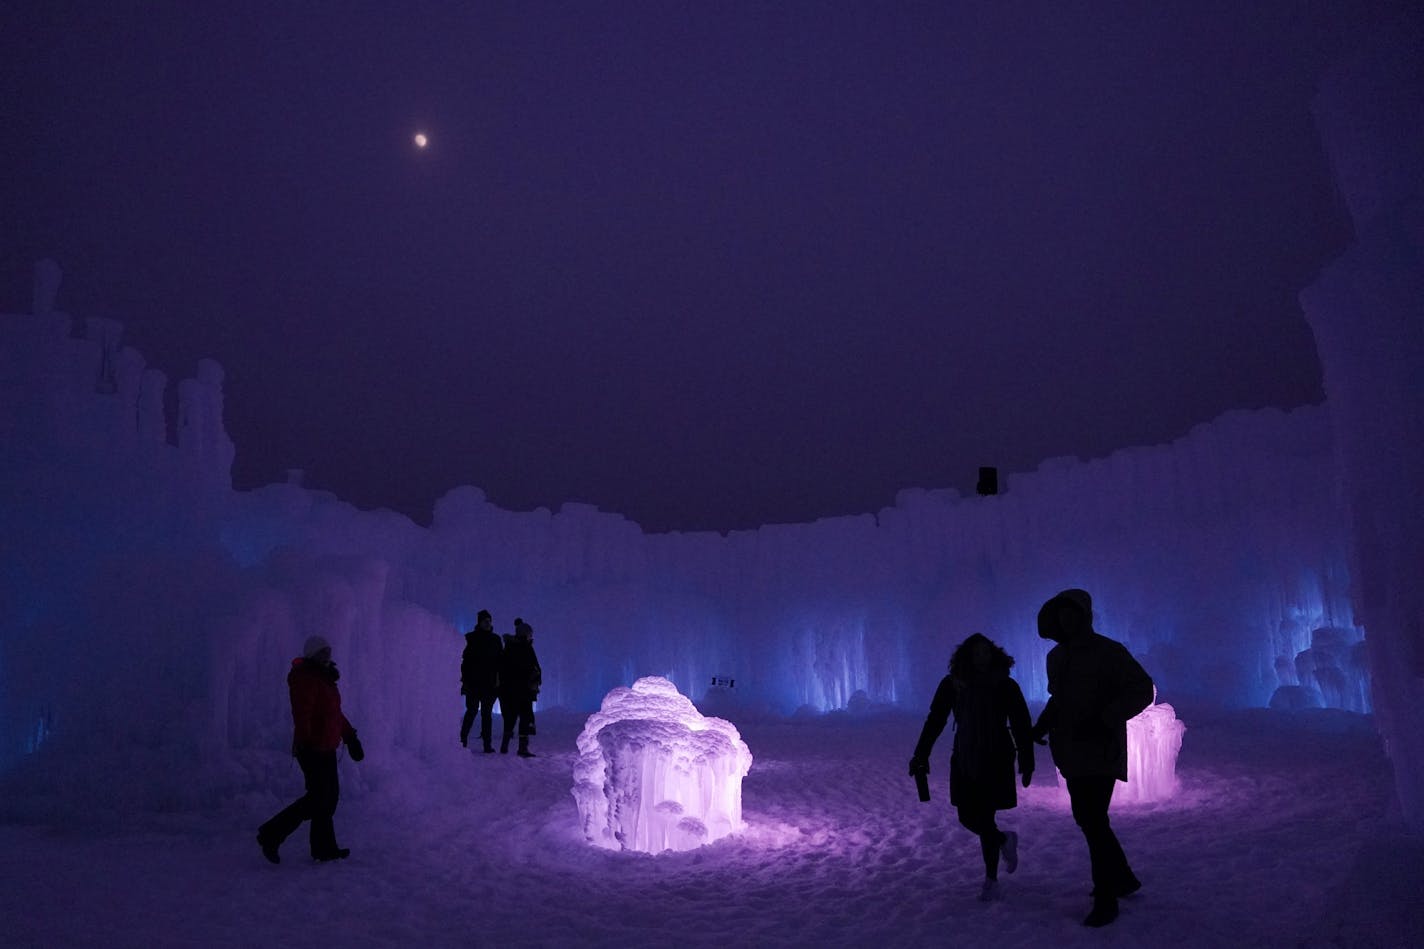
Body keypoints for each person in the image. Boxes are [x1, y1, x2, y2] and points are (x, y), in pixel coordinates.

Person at [1031, 589, 1155, 927]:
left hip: (1101, 748)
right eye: (1061, 615)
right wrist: (1040, 727)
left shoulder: (1110, 652)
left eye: (1072, 613)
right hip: (1070, 749)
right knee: (1089, 820)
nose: (1066, 620)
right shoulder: (1056, 657)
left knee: (1092, 818)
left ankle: (1106, 898)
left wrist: (1107, 717)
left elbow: (1143, 688)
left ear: (1085, 616)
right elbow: (1058, 699)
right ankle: (1123, 879)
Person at [910, 633, 1035, 902]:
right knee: (967, 816)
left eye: (985, 652)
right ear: (967, 656)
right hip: (965, 756)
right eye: (976, 653)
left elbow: (1021, 722)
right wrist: (921, 753)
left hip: (996, 756)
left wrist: (1027, 759)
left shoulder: (1005, 685)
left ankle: (991, 879)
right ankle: (1003, 841)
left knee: (985, 816)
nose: (981, 657)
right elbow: (936, 720)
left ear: (993, 655)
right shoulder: (953, 684)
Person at [256, 635, 364, 864]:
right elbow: (302, 713)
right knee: (318, 799)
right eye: (321, 652)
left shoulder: (324, 678)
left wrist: (351, 737)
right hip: (313, 748)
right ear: (312, 654)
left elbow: (334, 714)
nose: (327, 655)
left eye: (328, 651)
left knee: (328, 799)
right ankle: (271, 834)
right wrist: (305, 742)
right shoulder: (306, 678)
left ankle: (324, 849)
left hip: (326, 747)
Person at [460, 610, 503, 752]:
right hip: (473, 683)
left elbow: (499, 662)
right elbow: (464, 662)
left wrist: (498, 680)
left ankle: (486, 744)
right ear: (479, 622)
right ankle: (462, 740)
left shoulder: (495, 639)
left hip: (489, 684)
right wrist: (464, 680)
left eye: (489, 620)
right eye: (485, 620)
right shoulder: (470, 638)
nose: (488, 623)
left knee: (485, 714)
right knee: (472, 711)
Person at [499, 618, 542, 757]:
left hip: (515, 689)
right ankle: (520, 748)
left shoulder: (512, 647)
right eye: (530, 633)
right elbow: (531, 667)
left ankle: (507, 746)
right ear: (525, 634)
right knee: (523, 716)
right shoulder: (524, 647)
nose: (531, 636)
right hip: (521, 689)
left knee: (515, 717)